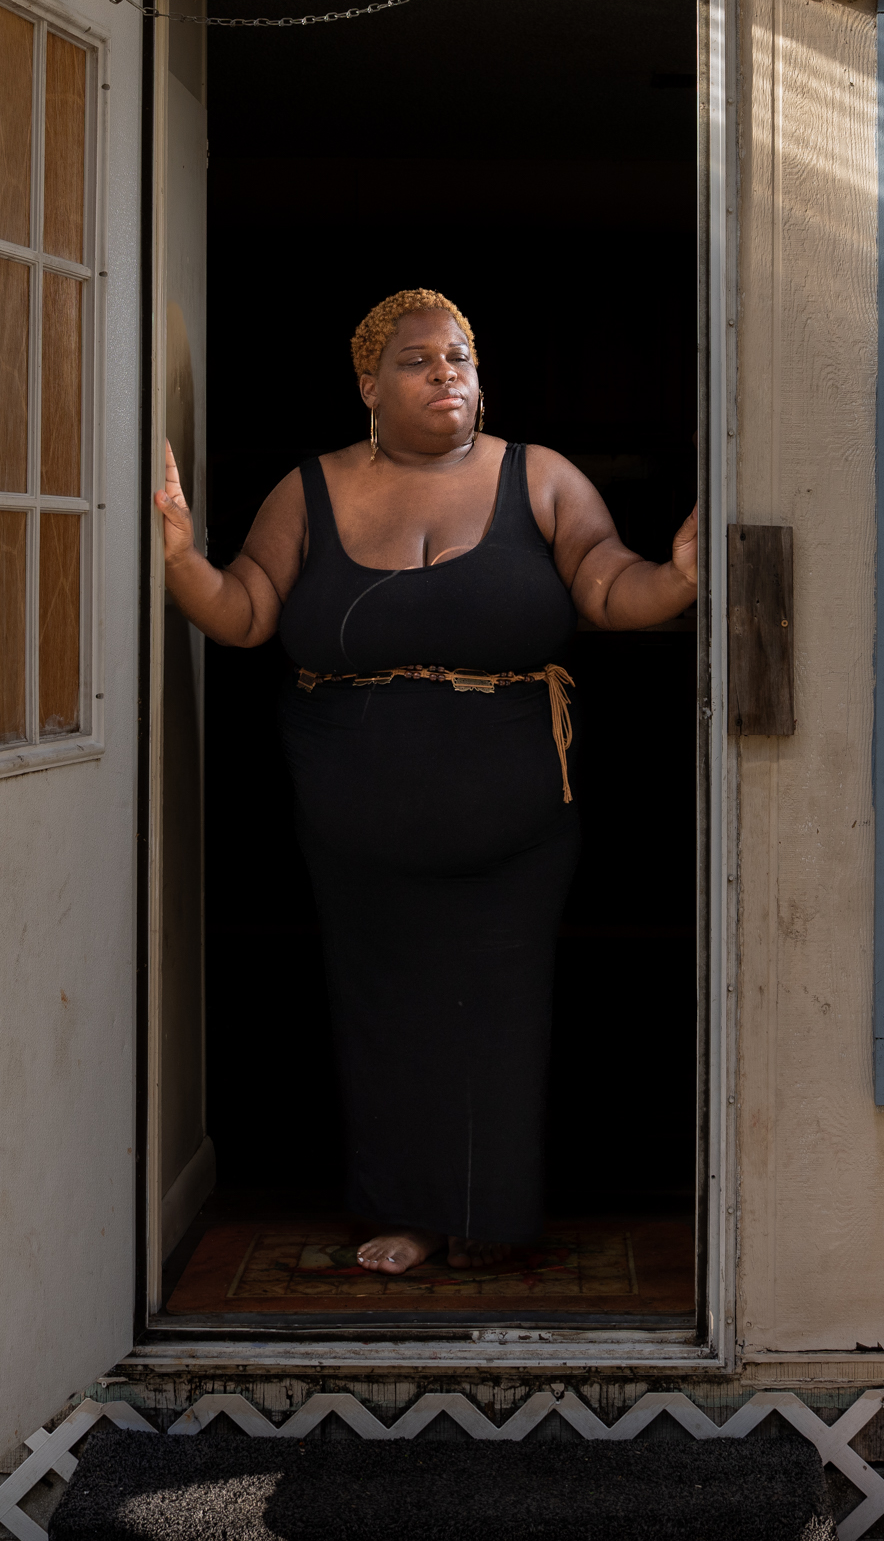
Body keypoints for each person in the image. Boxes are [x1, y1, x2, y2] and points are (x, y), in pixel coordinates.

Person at [153, 289, 698, 1274]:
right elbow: (244, 613)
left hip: (515, 819)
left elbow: (612, 586)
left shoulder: (541, 477)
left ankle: (486, 1214)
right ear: (368, 385)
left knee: (500, 1006)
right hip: (353, 818)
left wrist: (684, 575)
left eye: (459, 357)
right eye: (416, 360)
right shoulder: (309, 490)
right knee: (383, 1010)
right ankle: (405, 1210)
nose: (445, 371)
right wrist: (181, 557)